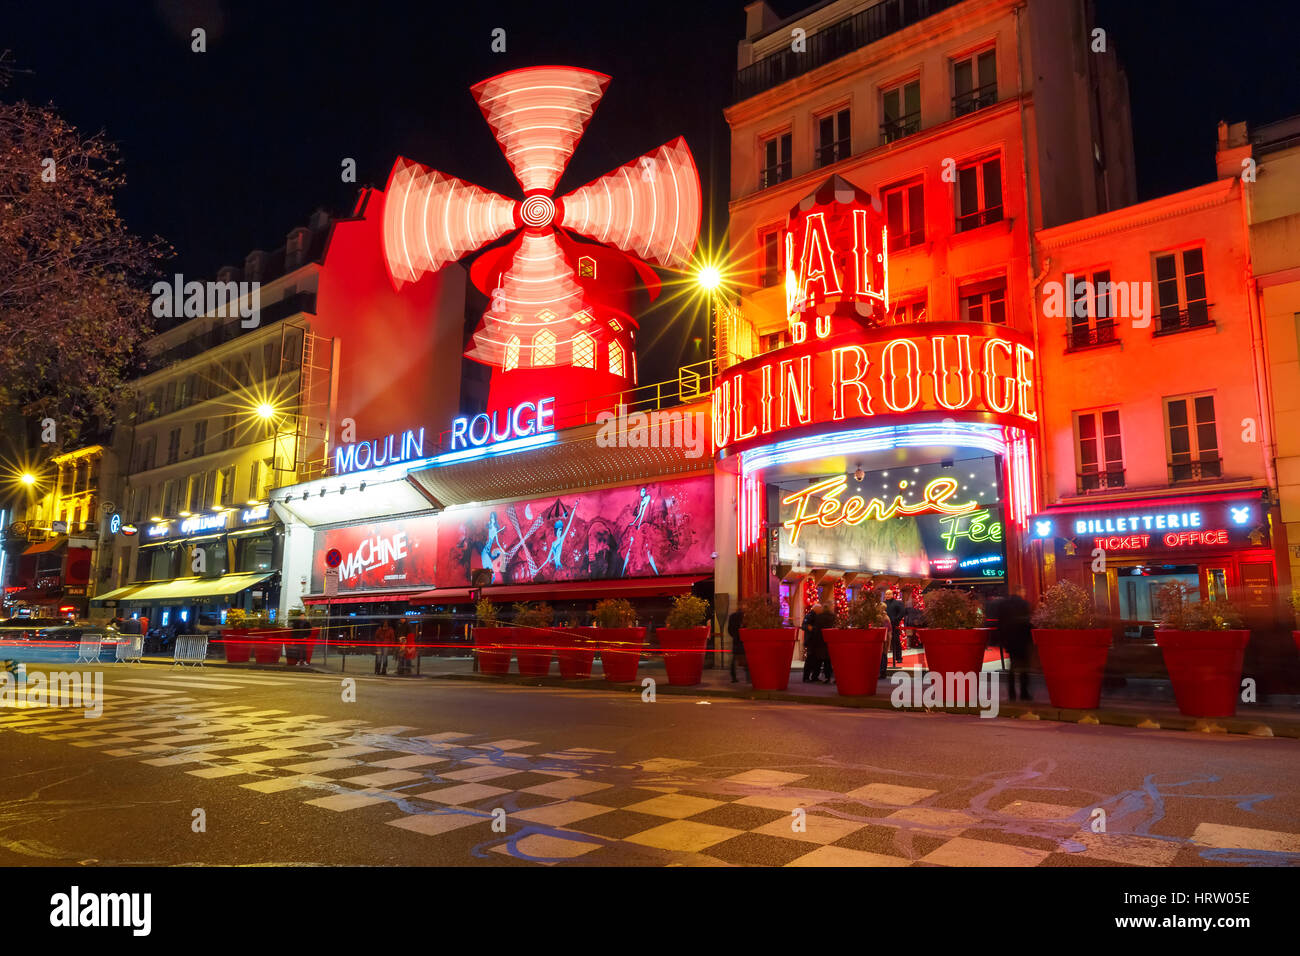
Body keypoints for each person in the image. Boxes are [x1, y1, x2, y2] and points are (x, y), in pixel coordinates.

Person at [994, 587, 1033, 701]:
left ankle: (1011, 693)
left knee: (1012, 665)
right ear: (1019, 592)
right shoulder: (1024, 604)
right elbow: (1027, 622)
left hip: (1009, 639)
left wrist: (1002, 639)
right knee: (1024, 666)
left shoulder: (1003, 605)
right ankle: (1024, 692)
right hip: (1022, 638)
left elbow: (1000, 622)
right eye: (1023, 591)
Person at [801, 599, 834, 683]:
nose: (821, 610)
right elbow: (804, 626)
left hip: (815, 641)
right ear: (816, 609)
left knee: (816, 660)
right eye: (819, 609)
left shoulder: (818, 616)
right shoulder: (811, 616)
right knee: (813, 660)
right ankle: (809, 677)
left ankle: (813, 677)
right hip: (813, 641)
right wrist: (810, 628)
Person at [882, 589, 905, 677]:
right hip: (885, 625)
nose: (887, 595)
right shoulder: (883, 604)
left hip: (894, 625)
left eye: (889, 594)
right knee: (886, 642)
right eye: (886, 594)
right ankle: (885, 658)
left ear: (892, 594)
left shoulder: (897, 603)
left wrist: (896, 620)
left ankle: (898, 657)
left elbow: (902, 612)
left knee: (896, 641)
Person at [727, 607, 746, 683]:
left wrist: (734, 635)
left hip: (736, 639)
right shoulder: (744, 617)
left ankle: (733, 676)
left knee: (734, 658)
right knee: (746, 657)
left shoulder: (732, 616)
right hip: (743, 639)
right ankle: (749, 677)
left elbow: (729, 629)